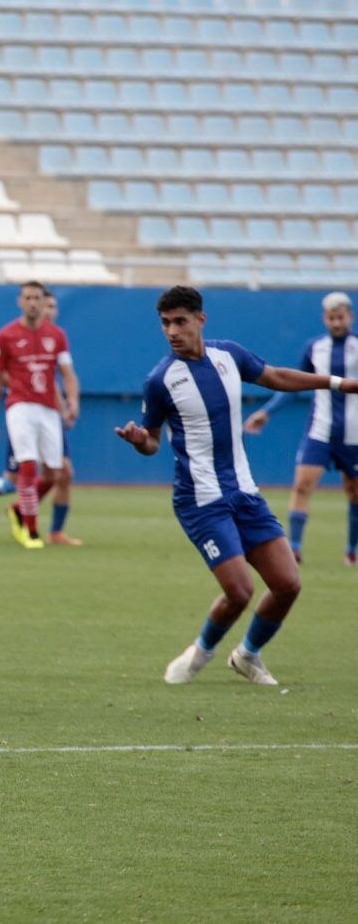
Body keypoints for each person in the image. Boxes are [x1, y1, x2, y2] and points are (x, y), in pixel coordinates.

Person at [115, 286, 358, 687]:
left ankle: (247, 655)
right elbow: (153, 441)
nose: (172, 331)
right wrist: (141, 440)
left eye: (180, 321)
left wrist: (337, 383)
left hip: (244, 492)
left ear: (200, 319)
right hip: (200, 500)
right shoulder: (161, 380)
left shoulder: (228, 354)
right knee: (240, 591)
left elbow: (276, 375)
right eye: (165, 323)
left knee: (288, 583)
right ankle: (200, 652)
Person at [0, 293, 83, 545]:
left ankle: (54, 530)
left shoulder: (53, 337)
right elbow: (3, 376)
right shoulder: (14, 336)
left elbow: (54, 379)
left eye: (54, 306)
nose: (50, 310)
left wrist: (65, 406)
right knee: (16, 478)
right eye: (48, 305)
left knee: (61, 472)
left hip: (48, 414)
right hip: (25, 414)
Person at [242, 291, 358, 565]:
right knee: (302, 485)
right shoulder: (314, 347)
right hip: (319, 431)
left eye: (340, 317)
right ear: (324, 319)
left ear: (350, 316)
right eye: (331, 317)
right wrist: (266, 412)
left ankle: (351, 550)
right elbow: (293, 385)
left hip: (354, 434)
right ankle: (294, 548)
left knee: (354, 493)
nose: (336, 322)